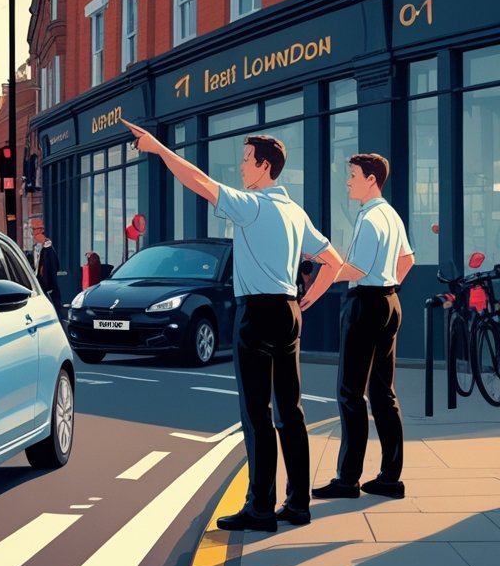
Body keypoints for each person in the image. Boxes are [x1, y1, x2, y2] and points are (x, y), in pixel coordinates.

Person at [123, 119, 344, 532]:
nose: (240, 167)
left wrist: (159, 149)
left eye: (245, 160)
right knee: (290, 411)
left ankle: (260, 508)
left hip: (257, 315)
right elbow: (332, 261)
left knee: (257, 414)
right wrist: (306, 300)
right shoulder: (295, 213)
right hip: (288, 313)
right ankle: (298, 504)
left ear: (263, 166)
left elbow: (199, 182)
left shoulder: (252, 204)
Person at [312, 153, 414, 500]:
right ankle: (390, 477)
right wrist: (390, 286)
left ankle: (347, 480)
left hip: (365, 305)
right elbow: (408, 260)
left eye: (353, 175)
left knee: (351, 394)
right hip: (389, 302)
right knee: (384, 393)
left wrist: (326, 275)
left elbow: (355, 268)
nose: (348, 181)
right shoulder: (392, 215)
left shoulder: (369, 218)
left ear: (371, 179)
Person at [31, 219, 62, 316]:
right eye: (33, 230)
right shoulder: (35, 248)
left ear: (41, 230)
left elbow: (54, 267)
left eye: (35, 230)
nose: (33, 233)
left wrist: (49, 287)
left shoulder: (48, 249)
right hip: (38, 286)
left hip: (48, 288)